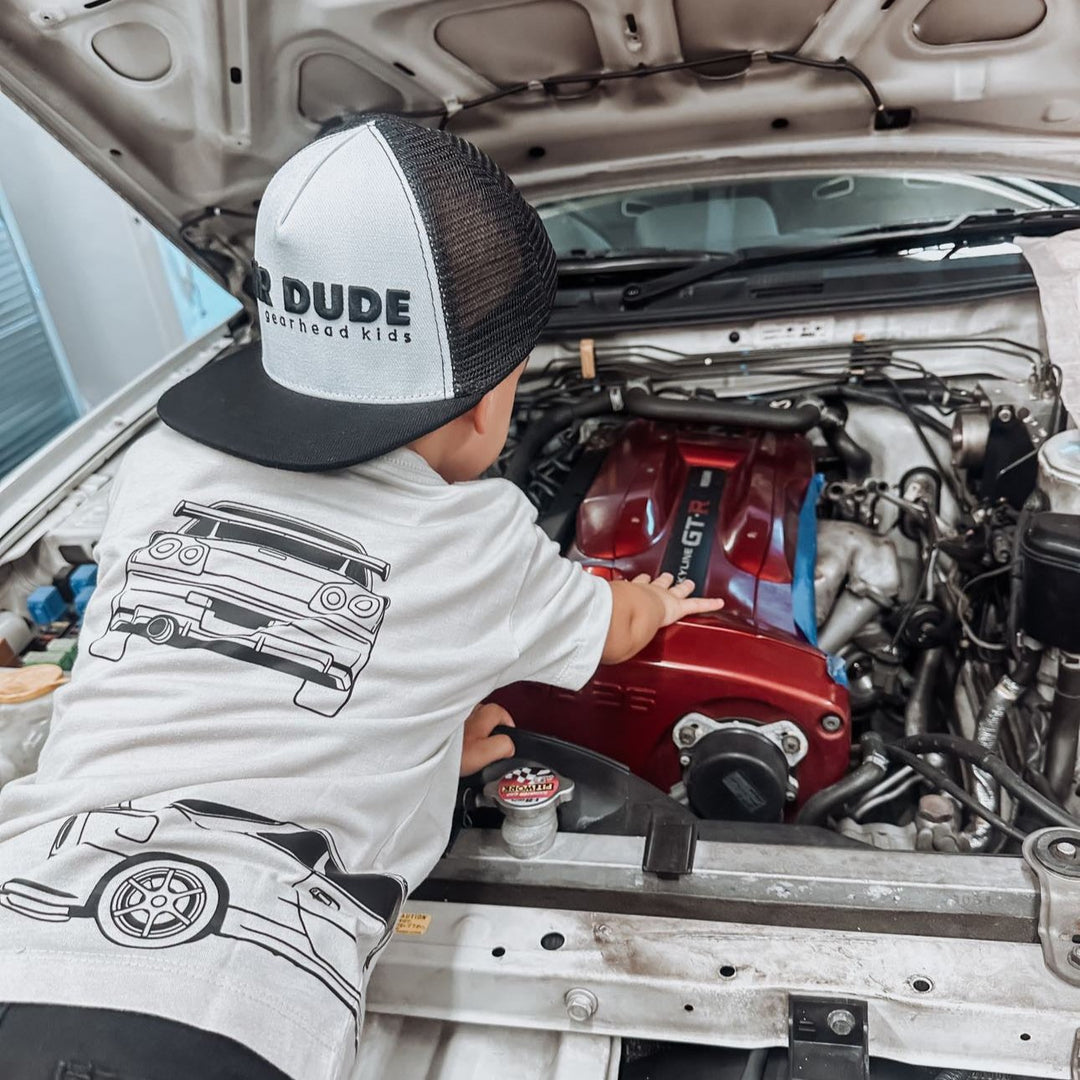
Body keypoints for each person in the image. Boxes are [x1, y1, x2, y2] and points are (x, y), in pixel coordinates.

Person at [0, 114, 723, 1080]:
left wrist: (411, 750)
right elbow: (618, 630)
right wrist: (658, 600)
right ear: (486, 404)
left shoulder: (163, 463)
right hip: (226, 998)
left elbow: (223, 697)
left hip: (26, 907)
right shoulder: (479, 539)